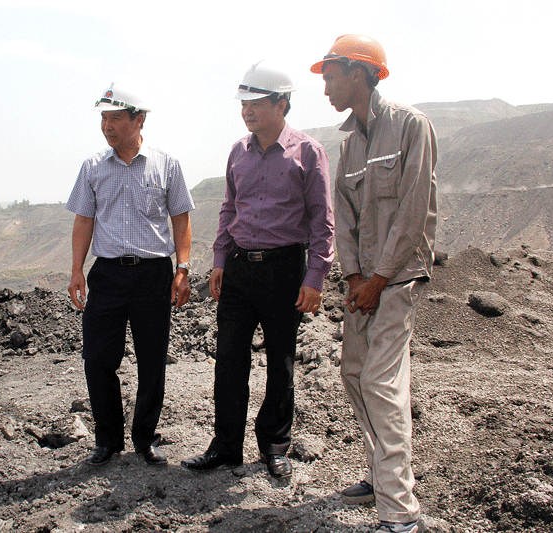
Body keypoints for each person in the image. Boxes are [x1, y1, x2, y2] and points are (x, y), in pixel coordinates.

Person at [181, 60, 335, 479]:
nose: (247, 110)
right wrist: (218, 261)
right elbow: (229, 208)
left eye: (257, 102)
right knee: (229, 361)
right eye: (243, 103)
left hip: (285, 269)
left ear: (282, 104)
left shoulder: (307, 152)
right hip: (238, 270)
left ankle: (274, 446)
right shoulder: (237, 150)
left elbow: (322, 222)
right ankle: (226, 446)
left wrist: (315, 278)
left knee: (280, 362)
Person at [310, 34, 438, 533]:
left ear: (360, 72)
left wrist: (380, 277)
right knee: (353, 373)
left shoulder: (410, 126)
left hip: (399, 279)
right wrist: (357, 277)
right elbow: (344, 216)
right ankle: (379, 475)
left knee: (382, 384)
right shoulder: (349, 142)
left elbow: (412, 212)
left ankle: (400, 513)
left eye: (331, 76)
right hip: (364, 283)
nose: (325, 88)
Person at [66, 81, 195, 467]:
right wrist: (77, 269)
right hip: (107, 274)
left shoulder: (166, 164)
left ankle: (145, 438)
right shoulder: (93, 167)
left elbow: (181, 219)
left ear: (139, 120)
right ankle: (107, 440)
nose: (107, 126)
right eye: (103, 118)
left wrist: (182, 268)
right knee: (98, 358)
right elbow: (84, 220)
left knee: (152, 359)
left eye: (115, 118)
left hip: (154, 274)